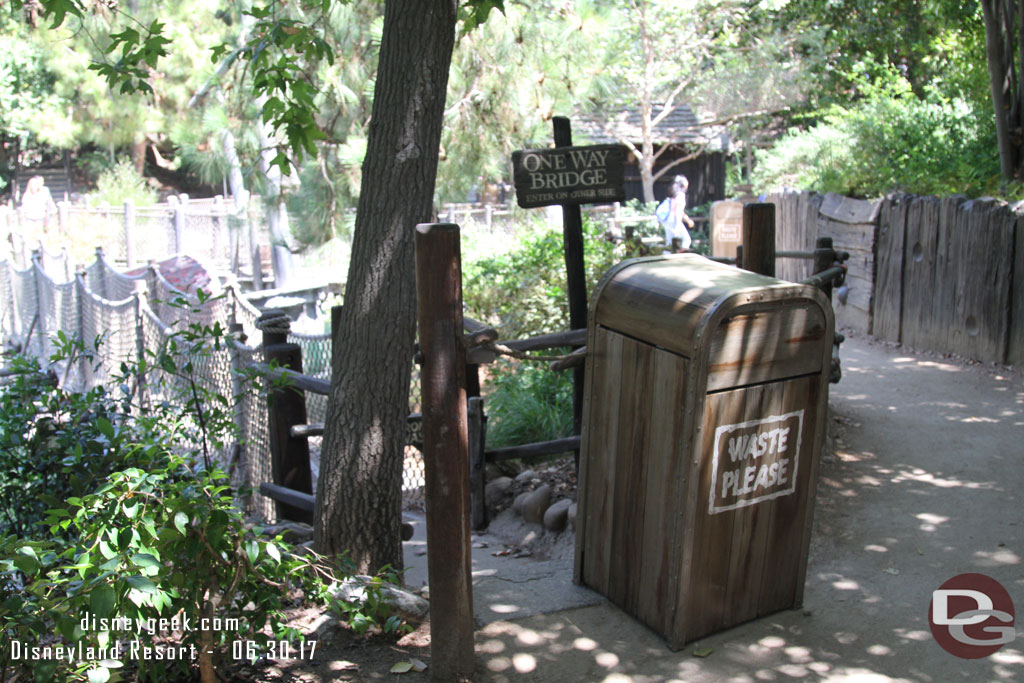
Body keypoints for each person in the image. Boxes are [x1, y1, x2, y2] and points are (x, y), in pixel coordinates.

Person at [655, 175, 694, 253]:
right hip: (674, 220)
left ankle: (666, 258)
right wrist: (677, 226)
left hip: (667, 220)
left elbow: (679, 210)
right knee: (686, 240)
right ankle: (678, 256)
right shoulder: (681, 196)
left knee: (669, 243)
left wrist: (687, 220)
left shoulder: (675, 195)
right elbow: (678, 211)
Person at [19, 175, 57, 247]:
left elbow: (48, 201)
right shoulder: (27, 195)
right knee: (30, 235)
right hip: (29, 217)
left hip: (40, 216)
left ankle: (43, 247)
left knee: (40, 234)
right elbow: (24, 207)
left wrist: (52, 208)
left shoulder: (43, 191)